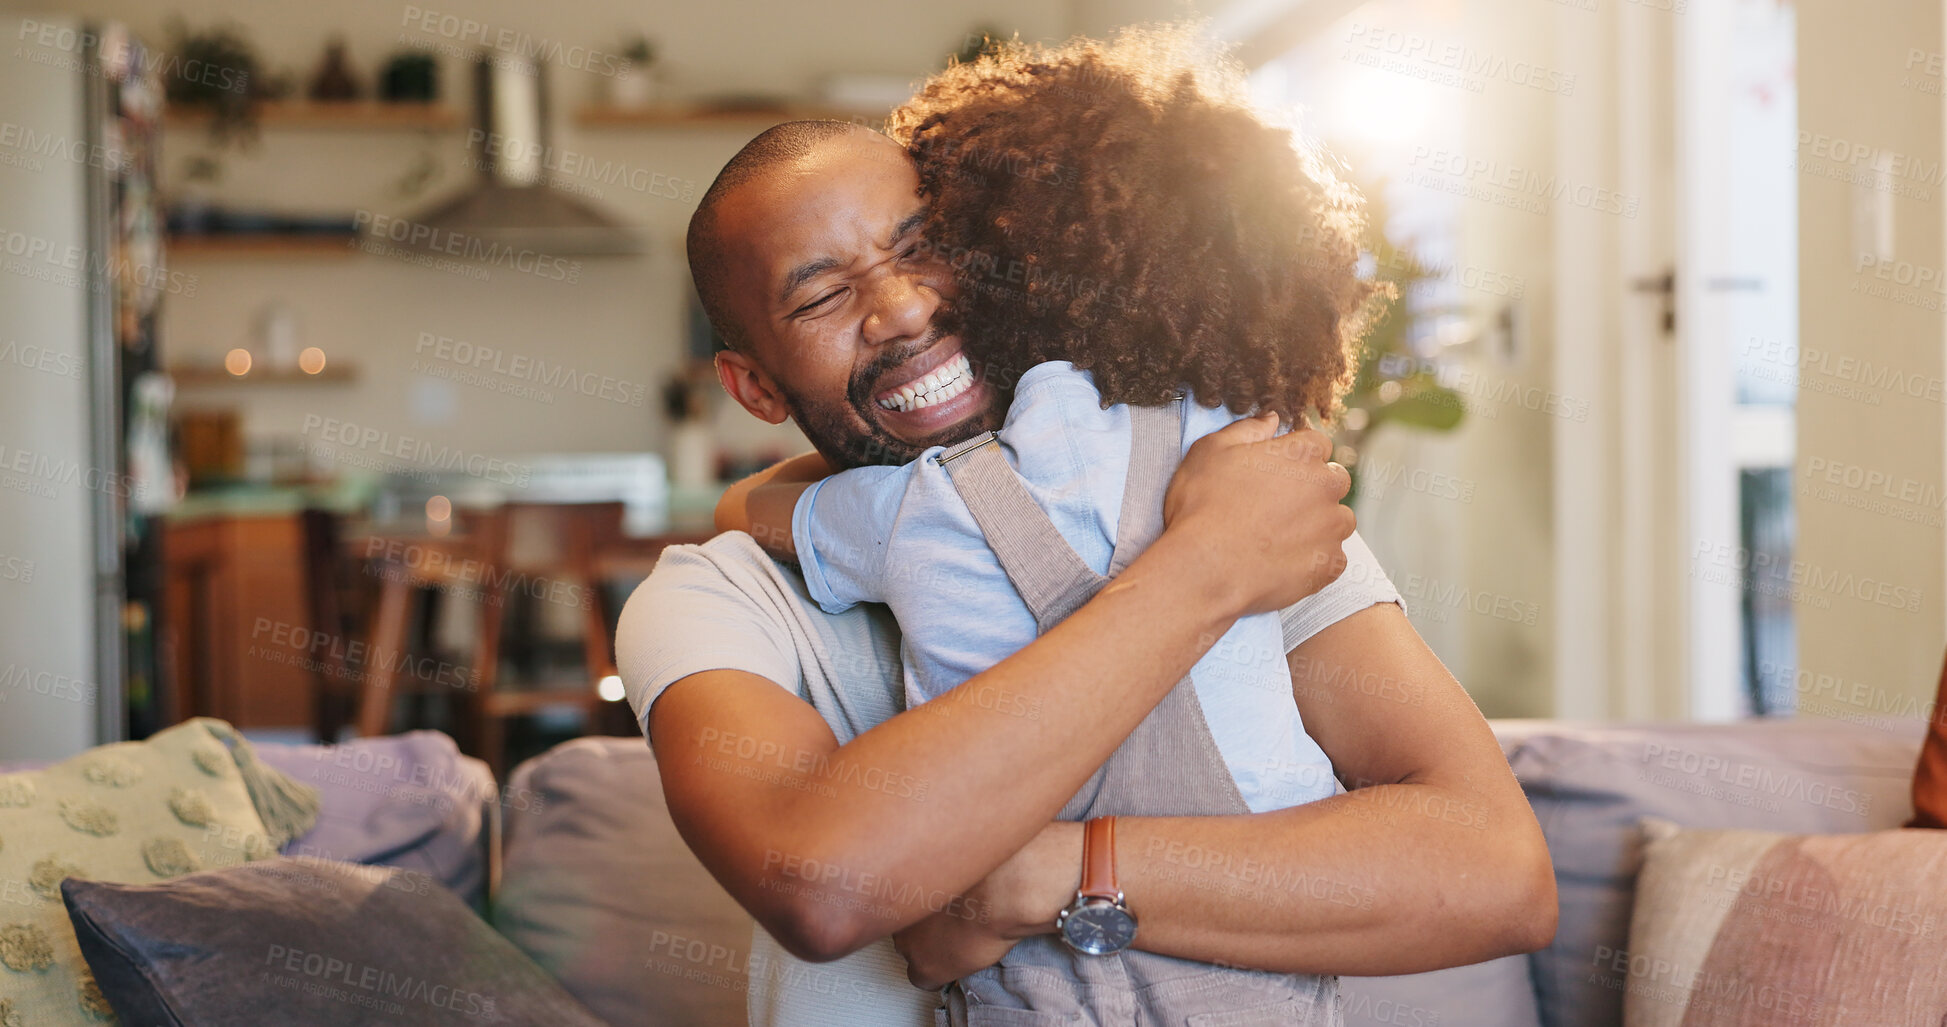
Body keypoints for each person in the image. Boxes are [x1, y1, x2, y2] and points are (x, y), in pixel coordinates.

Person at [617, 41, 1555, 1027]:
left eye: (919, 244)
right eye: (820, 295)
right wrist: (1201, 573)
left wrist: (1042, 877)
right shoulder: (713, 601)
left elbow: (1496, 874)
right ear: (753, 385)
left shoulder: (1221, 485)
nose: (899, 308)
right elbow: (825, 883)